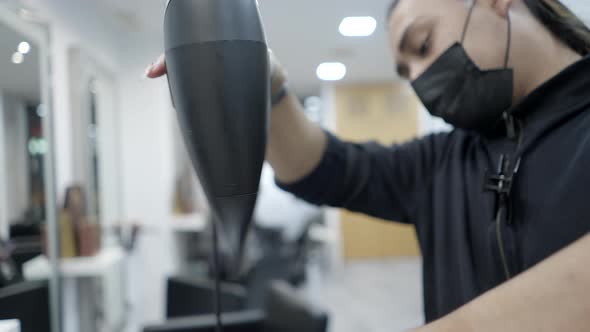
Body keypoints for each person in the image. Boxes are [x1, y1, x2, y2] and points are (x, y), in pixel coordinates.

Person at [146, 0, 590, 330]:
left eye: (421, 43)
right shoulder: (444, 161)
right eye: (404, 69)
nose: (417, 76)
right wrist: (270, 86)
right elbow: (326, 168)